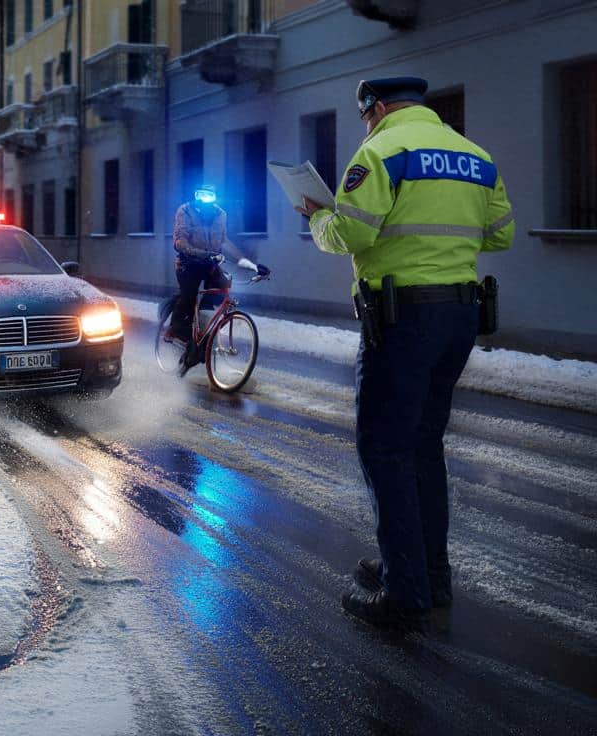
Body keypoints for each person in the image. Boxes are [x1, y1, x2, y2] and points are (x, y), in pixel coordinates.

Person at [297, 77, 514, 628]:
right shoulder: (474, 155)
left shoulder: (382, 151)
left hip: (401, 318)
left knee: (385, 449)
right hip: (459, 316)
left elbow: (352, 234)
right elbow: (500, 234)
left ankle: (404, 591)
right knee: (422, 447)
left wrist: (318, 217)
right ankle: (427, 572)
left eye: (366, 115)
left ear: (378, 108)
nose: (366, 124)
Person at [166, 185, 270, 370]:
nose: (205, 198)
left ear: (214, 197)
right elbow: (179, 240)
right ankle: (175, 330)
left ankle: (202, 341)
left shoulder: (221, 214)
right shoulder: (186, 211)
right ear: (196, 196)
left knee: (222, 290)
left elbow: (223, 241)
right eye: (201, 195)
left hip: (209, 263)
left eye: (209, 196)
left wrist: (251, 265)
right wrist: (198, 253)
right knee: (189, 295)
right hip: (187, 263)